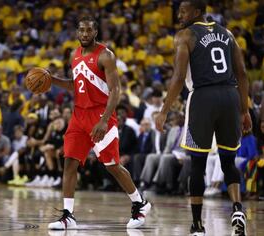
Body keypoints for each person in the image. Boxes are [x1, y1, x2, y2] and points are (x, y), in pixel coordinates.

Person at [155, 1, 251, 235]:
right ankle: (237, 207)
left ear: (197, 12)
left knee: (197, 163)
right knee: (229, 159)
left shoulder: (185, 35)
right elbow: (242, 73)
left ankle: (197, 224)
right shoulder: (227, 33)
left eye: (183, 11)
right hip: (230, 97)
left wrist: (164, 110)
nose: (179, 16)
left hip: (203, 99)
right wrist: (245, 109)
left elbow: (178, 78)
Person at [47, 16, 151, 230]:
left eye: (89, 31)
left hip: (101, 115)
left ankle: (139, 203)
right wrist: (53, 80)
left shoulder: (106, 55)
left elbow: (115, 91)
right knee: (70, 162)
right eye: (81, 30)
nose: (85, 34)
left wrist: (104, 121)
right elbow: (77, 86)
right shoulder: (74, 55)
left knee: (112, 165)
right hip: (79, 115)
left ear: (95, 33)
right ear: (77, 32)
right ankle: (68, 215)